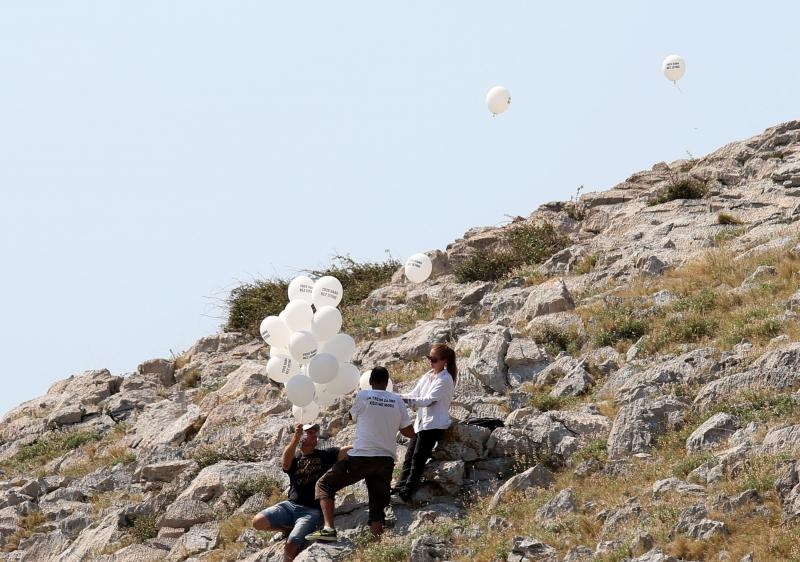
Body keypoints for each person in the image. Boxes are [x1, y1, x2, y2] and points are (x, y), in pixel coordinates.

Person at [306, 366, 415, 542]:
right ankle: (376, 545)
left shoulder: (363, 395)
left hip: (362, 457)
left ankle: (328, 529)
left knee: (324, 485)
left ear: (370, 381)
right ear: (388, 383)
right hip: (386, 460)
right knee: (377, 506)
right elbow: (408, 432)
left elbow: (351, 417)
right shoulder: (398, 400)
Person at [252, 423, 350, 562]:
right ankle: (286, 529)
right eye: (310, 432)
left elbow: (346, 451)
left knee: (291, 545)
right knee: (258, 522)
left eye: (315, 432)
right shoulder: (295, 457)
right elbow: (285, 464)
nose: (314, 435)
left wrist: (367, 443)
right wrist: (295, 438)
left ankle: (291, 535)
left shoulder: (326, 454)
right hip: (290, 505)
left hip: (311, 511)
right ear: (301, 436)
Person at [394, 343, 457, 502]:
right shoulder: (428, 375)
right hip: (422, 424)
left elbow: (428, 401)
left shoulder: (445, 379)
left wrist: (403, 400)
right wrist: (396, 396)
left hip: (434, 425)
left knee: (418, 459)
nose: (430, 361)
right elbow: (414, 394)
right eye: (429, 358)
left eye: (434, 359)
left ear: (444, 361)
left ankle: (405, 494)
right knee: (409, 457)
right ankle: (398, 488)